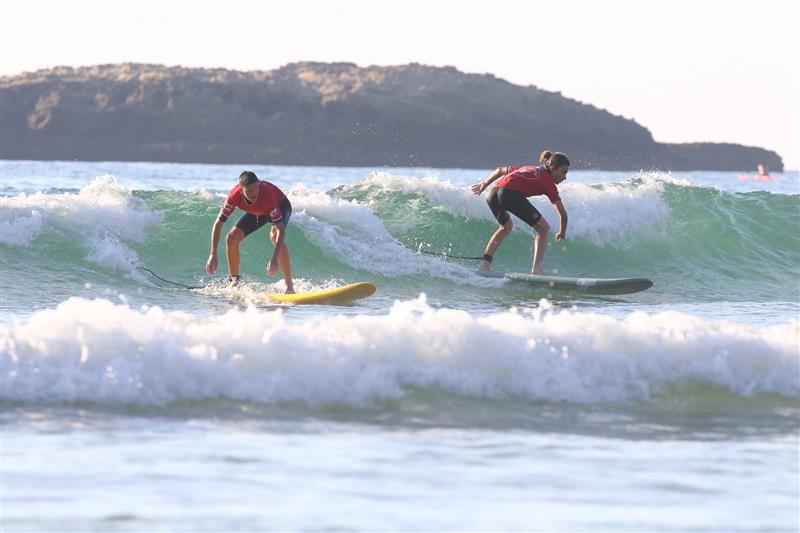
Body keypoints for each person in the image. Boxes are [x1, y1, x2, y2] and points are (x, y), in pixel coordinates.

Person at [470, 150, 569, 275]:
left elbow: (500, 170)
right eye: (563, 172)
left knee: (506, 227)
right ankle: (537, 269)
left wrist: (483, 185)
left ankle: (484, 265)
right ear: (553, 167)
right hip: (510, 194)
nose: (565, 177)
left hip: (493, 193)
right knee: (544, 229)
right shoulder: (549, 184)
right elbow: (563, 215)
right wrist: (562, 232)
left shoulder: (528, 168)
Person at [206, 170, 295, 293]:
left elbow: (280, 229)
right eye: (249, 191)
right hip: (258, 211)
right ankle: (234, 282)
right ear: (241, 191)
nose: (254, 193)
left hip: (281, 205)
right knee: (231, 238)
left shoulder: (267, 194)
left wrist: (274, 258)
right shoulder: (233, 196)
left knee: (275, 235)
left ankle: (289, 285)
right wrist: (213, 254)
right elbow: (218, 223)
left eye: (256, 188)